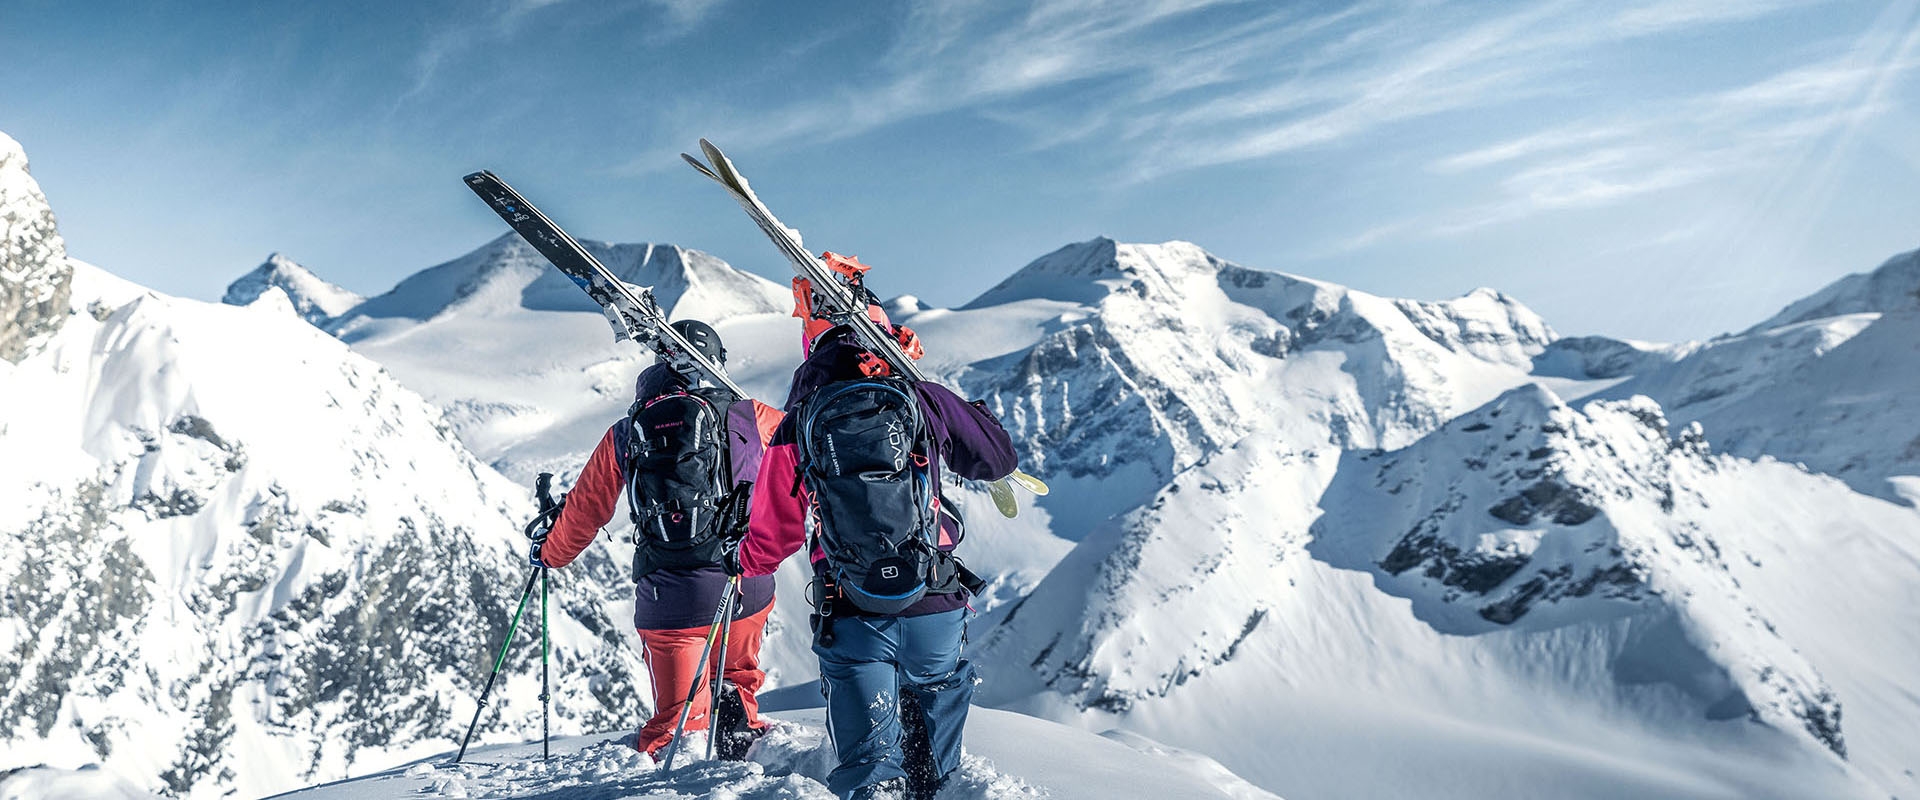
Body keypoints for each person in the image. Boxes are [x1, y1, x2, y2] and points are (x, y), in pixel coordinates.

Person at [736, 270, 1018, 800]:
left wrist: (746, 561)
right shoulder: (920, 397)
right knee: (935, 766)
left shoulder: (800, 420)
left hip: (853, 610)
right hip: (934, 601)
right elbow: (998, 458)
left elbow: (773, 533)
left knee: (869, 771)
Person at [532, 319, 784, 760]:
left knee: (678, 728)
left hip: (672, 597)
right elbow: (813, 471)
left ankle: (683, 776)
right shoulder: (755, 417)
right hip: (748, 585)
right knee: (739, 677)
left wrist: (549, 554)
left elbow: (585, 512)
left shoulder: (629, 432)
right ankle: (741, 749)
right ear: (718, 363)